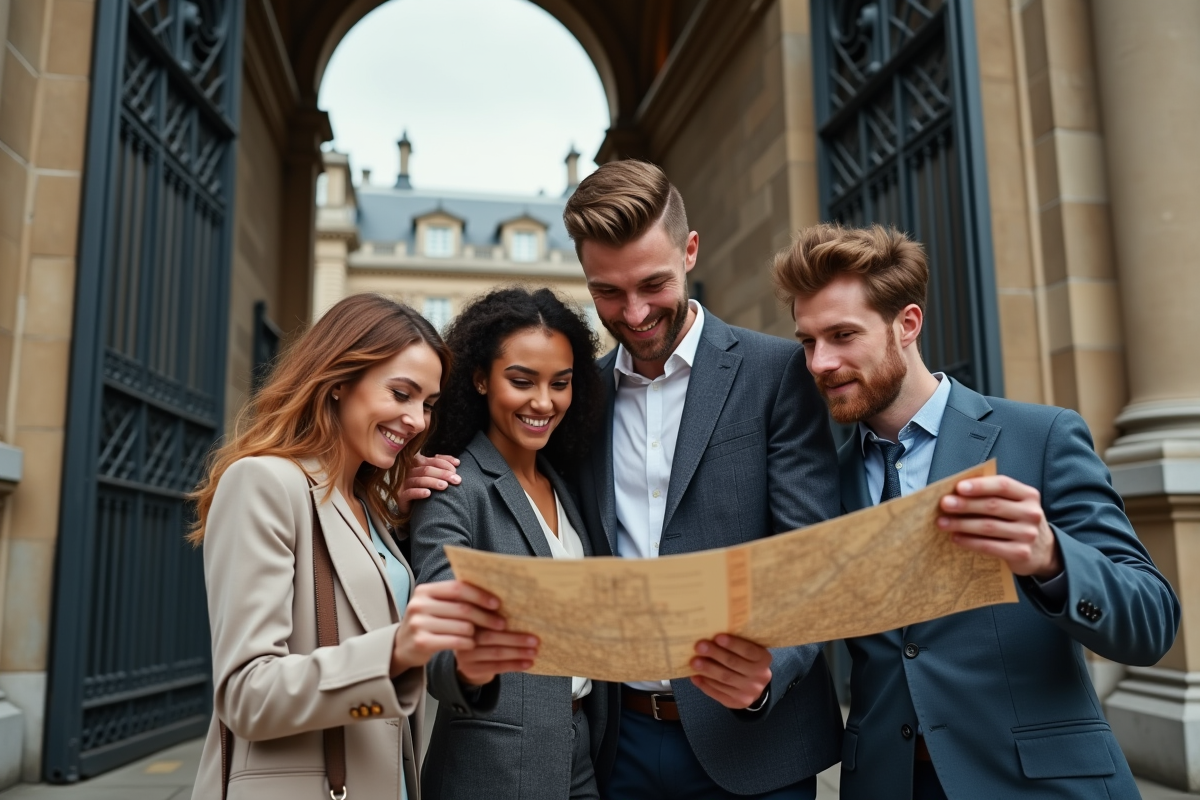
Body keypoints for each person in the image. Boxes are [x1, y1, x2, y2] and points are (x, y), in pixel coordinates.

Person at [772, 223, 1181, 800]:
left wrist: (1052, 558)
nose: (820, 363)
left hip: (1039, 783)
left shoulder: (1041, 436)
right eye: (808, 342)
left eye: (842, 335)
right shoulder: (822, 481)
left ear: (907, 324)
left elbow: (1153, 622)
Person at [563, 160, 844, 800]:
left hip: (758, 743)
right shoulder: (580, 398)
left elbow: (811, 555)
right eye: (606, 291)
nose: (633, 314)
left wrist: (767, 676)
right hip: (619, 746)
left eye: (653, 284)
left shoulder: (779, 374)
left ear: (690, 251)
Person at [189, 294, 525, 800]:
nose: (416, 420)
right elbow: (246, 695)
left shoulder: (371, 512)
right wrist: (395, 651)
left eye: (427, 404)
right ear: (340, 381)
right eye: (400, 393)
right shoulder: (264, 483)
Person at [410, 287, 609, 800]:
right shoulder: (454, 488)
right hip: (492, 767)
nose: (544, 402)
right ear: (480, 379)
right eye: (522, 381)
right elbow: (437, 636)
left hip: (582, 753)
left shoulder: (563, 483)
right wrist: (465, 662)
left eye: (560, 384)